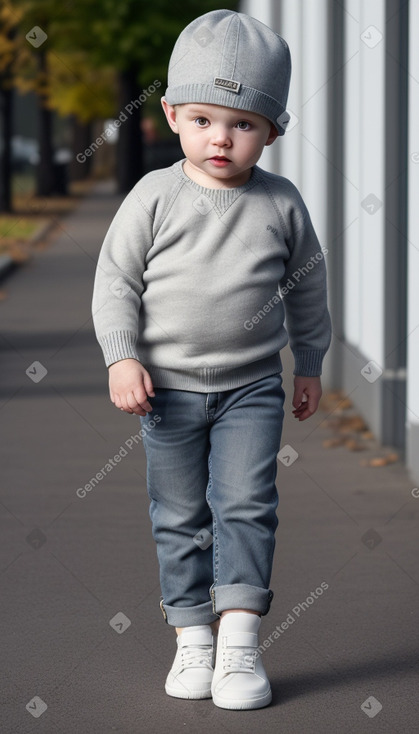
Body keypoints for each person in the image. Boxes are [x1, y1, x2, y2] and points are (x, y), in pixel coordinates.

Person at [92, 9, 331, 711]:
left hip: (252, 387)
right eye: (201, 119)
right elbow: (115, 282)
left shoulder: (280, 204)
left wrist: (309, 362)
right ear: (169, 114)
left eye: (243, 124)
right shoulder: (154, 197)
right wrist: (120, 358)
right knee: (177, 512)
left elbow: (308, 286)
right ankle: (191, 635)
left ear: (273, 129)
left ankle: (238, 645)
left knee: (246, 506)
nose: (220, 138)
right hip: (163, 391)